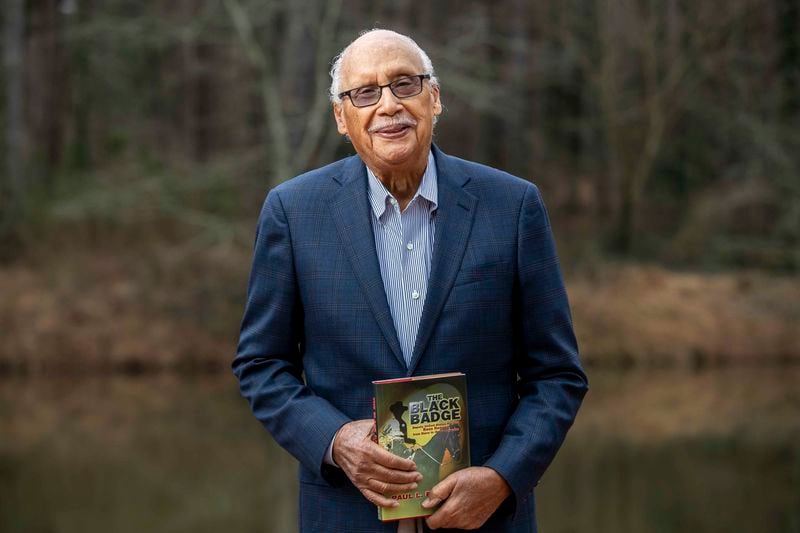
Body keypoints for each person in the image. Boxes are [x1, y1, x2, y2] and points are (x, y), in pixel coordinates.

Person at [233, 28, 588, 533]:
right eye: (365, 93)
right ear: (342, 116)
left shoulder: (512, 207)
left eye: (405, 84)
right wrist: (335, 441)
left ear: (434, 98)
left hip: (485, 520)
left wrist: (503, 478)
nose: (388, 105)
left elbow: (557, 376)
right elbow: (261, 364)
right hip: (344, 516)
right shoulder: (294, 213)